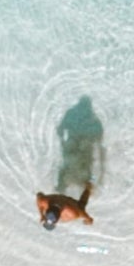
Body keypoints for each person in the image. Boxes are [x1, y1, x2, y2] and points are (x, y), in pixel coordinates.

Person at [37, 94, 103, 228]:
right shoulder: (46, 201)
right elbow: (38, 196)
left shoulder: (72, 212)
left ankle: (89, 186)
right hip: (61, 200)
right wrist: (41, 214)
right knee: (70, 163)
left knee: (85, 193)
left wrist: (89, 219)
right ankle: (79, 140)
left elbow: (83, 213)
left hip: (73, 204)